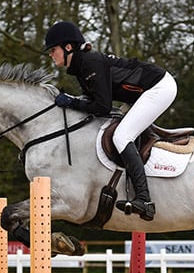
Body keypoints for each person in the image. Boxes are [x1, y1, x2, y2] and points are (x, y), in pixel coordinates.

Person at [44, 20, 178, 221]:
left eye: (53, 49)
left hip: (159, 87)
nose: (50, 54)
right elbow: (94, 102)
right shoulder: (81, 66)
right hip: (142, 93)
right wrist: (73, 102)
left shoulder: (89, 63)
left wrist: (71, 102)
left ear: (68, 47)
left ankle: (144, 199)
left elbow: (102, 107)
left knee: (122, 136)